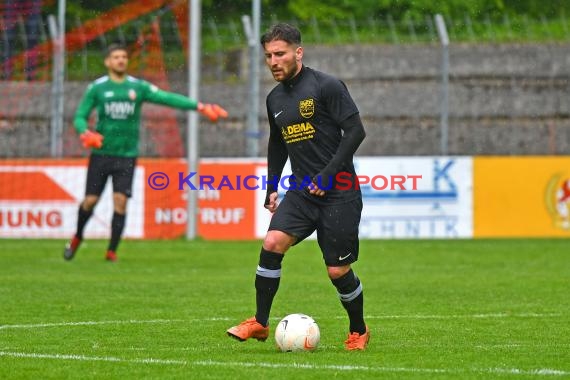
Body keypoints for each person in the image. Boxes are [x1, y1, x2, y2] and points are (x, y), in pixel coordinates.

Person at [226, 23, 369, 350]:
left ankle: (358, 330)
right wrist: (272, 185)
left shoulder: (327, 86)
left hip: (340, 192)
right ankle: (260, 323)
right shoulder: (274, 98)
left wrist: (329, 174)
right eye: (268, 56)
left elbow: (356, 131)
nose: (273, 61)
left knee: (337, 270)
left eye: (280, 54)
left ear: (297, 52)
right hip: (302, 192)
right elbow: (277, 144)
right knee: (273, 242)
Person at [63, 43, 227, 262]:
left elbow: (167, 98)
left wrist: (199, 106)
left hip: (127, 156)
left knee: (120, 201)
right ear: (108, 62)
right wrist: (85, 132)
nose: (121, 60)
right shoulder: (97, 88)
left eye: (123, 56)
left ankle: (111, 251)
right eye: (116, 57)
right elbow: (80, 116)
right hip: (102, 155)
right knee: (90, 201)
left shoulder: (138, 87)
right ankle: (77, 237)